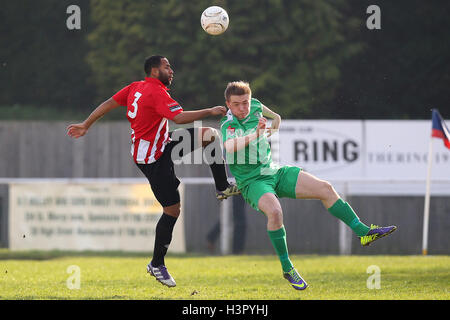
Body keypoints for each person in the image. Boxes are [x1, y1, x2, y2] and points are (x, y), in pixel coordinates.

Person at [67, 55, 240, 288]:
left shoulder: (136, 87)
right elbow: (178, 118)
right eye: (167, 67)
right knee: (172, 210)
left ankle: (222, 187)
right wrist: (210, 109)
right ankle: (157, 264)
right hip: (153, 159)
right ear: (154, 70)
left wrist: (86, 124)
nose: (171, 70)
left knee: (209, 136)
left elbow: (108, 103)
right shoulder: (156, 92)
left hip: (162, 144)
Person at [219, 81, 397, 291]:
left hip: (274, 171)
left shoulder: (255, 105)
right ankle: (288, 268)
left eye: (245, 103)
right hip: (252, 181)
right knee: (275, 212)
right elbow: (229, 146)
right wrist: (257, 135)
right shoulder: (228, 124)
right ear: (228, 104)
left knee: (326, 189)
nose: (243, 108)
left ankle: (363, 232)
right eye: (237, 104)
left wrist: (273, 125)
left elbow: (276, 118)